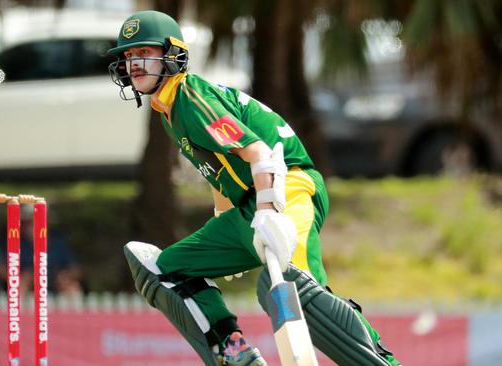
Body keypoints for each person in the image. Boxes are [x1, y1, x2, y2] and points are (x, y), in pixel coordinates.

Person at [109, 10, 401, 366]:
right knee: (166, 271)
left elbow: (259, 152)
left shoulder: (189, 96)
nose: (133, 64)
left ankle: (382, 361)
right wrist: (225, 224)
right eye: (127, 56)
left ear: (172, 55)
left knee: (301, 290)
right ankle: (234, 353)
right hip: (249, 203)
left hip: (288, 185)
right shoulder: (168, 107)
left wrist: (267, 212)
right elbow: (218, 172)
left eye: (143, 53)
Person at [0, 205, 84, 297]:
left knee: (73, 288)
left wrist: (65, 276)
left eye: (36, 222)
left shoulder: (58, 243)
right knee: (20, 285)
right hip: (27, 284)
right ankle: (19, 310)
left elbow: (76, 269)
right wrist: (18, 276)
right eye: (28, 223)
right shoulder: (14, 243)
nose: (30, 227)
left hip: (53, 282)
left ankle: (74, 311)